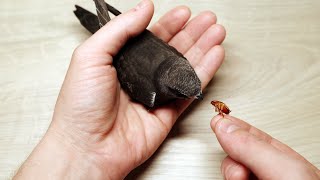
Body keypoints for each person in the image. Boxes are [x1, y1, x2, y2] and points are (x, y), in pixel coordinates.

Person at [13, 0, 320, 179]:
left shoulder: (181, 64)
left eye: (194, 89)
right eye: (189, 92)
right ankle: (93, 17)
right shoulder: (151, 93)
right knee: (101, 25)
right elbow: (128, 62)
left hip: (137, 43)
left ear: (184, 65)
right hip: (126, 52)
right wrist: (77, 149)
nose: (195, 96)